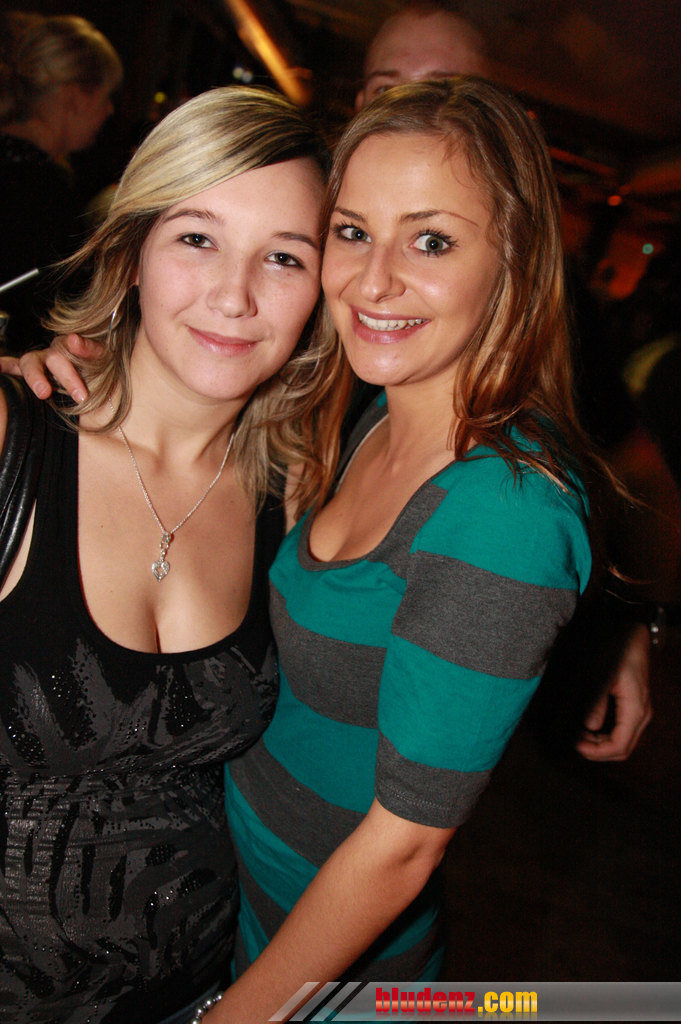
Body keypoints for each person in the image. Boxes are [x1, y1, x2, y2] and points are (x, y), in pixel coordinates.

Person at [200, 77, 598, 1022]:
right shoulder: (377, 416)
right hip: (240, 897)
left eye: (431, 241)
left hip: (323, 976)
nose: (372, 281)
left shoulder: (504, 511)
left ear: (513, 259)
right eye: (352, 232)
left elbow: (405, 846)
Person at [0, 85, 329, 1024]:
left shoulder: (300, 494)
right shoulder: (13, 441)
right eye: (196, 238)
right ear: (131, 251)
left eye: (284, 256)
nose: (234, 295)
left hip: (192, 996)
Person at [352, 1, 653, 763]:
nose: (415, 110)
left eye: (444, 88)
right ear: (357, 101)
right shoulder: (296, 229)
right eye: (389, 87)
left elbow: (619, 459)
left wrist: (614, 622)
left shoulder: (539, 298)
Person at [0, 12, 122, 354]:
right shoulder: (42, 193)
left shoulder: (28, 173)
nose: (110, 110)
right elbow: (53, 321)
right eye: (107, 96)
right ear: (75, 95)